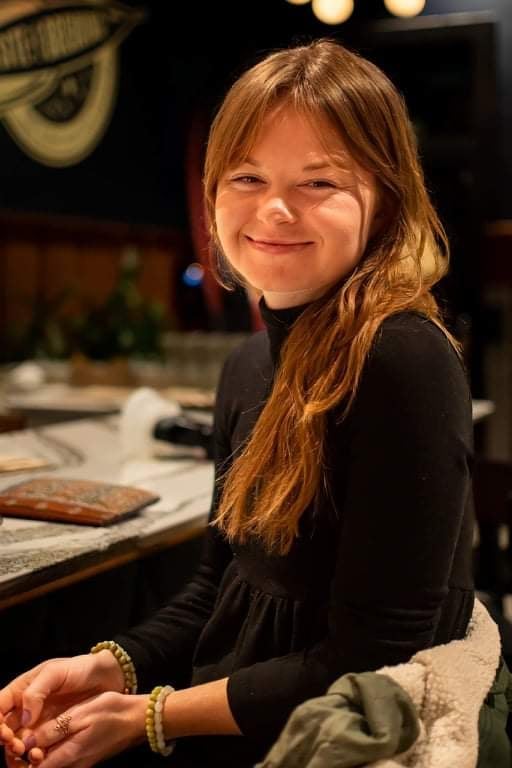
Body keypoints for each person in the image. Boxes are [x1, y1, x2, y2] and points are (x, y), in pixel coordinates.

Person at [0, 38, 491, 768]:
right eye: (247, 177)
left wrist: (150, 716)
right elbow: (220, 590)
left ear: (386, 198)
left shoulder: (401, 358)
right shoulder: (246, 365)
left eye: (320, 181)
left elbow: (377, 652)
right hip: (242, 716)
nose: (275, 208)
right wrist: (108, 667)